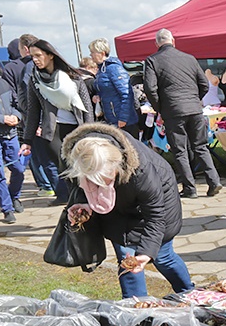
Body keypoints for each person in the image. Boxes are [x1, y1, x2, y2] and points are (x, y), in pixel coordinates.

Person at [63, 123, 194, 299]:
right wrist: (85, 203)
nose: (98, 186)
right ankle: (134, 311)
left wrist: (146, 252)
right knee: (127, 259)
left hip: (158, 203)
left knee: (162, 256)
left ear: (116, 165)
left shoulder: (142, 171)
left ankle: (189, 293)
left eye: (104, 180)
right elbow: (78, 189)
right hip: (117, 211)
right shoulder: (77, 157)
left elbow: (156, 215)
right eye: (92, 182)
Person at [144, 29, 222, 199]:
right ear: (173, 41)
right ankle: (214, 181)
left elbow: (150, 88)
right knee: (201, 146)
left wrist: (160, 108)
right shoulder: (189, 58)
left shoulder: (152, 61)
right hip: (194, 109)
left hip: (173, 111)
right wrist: (195, 99)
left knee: (179, 151)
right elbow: (204, 84)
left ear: (156, 44)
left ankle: (190, 188)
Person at [19, 39, 94, 206]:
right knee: (67, 173)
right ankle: (75, 206)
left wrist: (90, 133)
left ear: (50, 55)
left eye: (38, 55)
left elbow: (87, 108)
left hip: (77, 131)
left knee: (82, 171)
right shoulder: (35, 81)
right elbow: (33, 113)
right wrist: (27, 141)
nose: (35, 60)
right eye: (32, 56)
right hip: (53, 133)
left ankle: (86, 205)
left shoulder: (73, 78)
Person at [2, 34, 54, 197]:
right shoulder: (46, 65)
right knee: (50, 155)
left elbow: (13, 95)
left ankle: (48, 186)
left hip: (29, 118)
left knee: (37, 156)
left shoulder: (13, 68)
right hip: (50, 119)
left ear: (25, 48)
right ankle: (56, 187)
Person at [0, 52, 25, 224]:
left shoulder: (2, 82)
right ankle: (7, 209)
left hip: (11, 134)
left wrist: (16, 116)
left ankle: (14, 196)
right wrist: (2, 119)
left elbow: (16, 104)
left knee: (19, 169)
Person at [88, 38, 139, 138]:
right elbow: (107, 90)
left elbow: (127, 94)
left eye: (93, 52)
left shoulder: (114, 68)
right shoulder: (102, 70)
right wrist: (98, 96)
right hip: (111, 119)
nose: (91, 55)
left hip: (123, 122)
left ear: (102, 53)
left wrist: (123, 118)